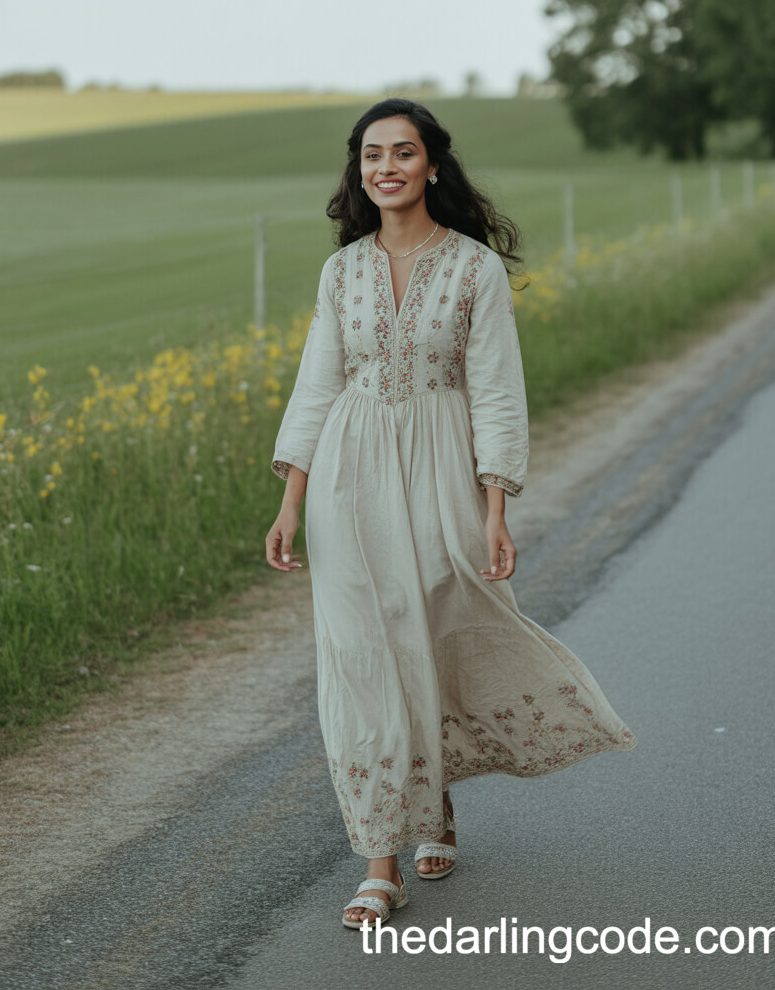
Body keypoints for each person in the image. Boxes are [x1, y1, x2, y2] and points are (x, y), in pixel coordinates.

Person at [265, 99, 637, 931]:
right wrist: (290, 500)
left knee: (430, 631)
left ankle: (435, 810)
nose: (385, 167)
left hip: (442, 472)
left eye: (403, 152)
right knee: (364, 655)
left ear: (434, 165)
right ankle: (380, 860)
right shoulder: (341, 272)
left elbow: (499, 392)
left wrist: (496, 508)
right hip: (347, 482)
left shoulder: (474, 270)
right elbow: (316, 388)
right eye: (371, 155)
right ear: (358, 170)